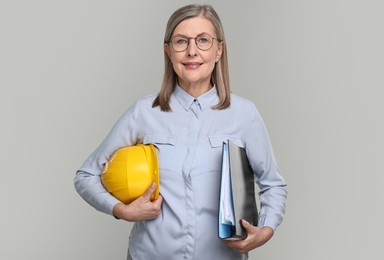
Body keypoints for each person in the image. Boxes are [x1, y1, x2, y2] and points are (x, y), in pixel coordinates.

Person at [74, 4, 287, 260]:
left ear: (219, 49)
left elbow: (273, 185)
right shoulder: (144, 112)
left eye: (203, 40)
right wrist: (121, 210)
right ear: (168, 51)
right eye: (181, 41)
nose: (192, 51)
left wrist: (266, 230)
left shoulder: (245, 114)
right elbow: (86, 176)